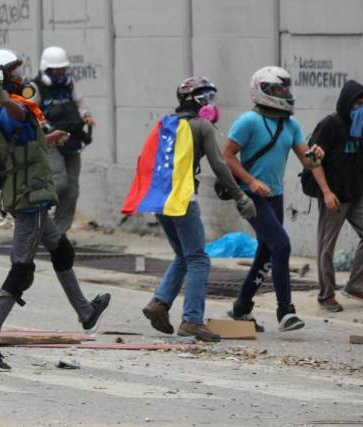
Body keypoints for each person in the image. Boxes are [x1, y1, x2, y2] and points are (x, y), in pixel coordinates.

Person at [0, 49, 111, 371]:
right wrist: (0, 93)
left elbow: (23, 149)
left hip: (35, 195)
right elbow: (15, 114)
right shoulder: (7, 110)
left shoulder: (16, 107)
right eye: (13, 72)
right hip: (28, 199)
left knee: (62, 250)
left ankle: (86, 312)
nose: (22, 77)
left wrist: (49, 139)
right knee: (21, 271)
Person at [122, 76, 257, 342]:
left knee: (183, 255)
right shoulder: (202, 126)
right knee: (198, 258)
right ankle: (193, 320)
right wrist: (240, 197)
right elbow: (219, 165)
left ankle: (159, 303)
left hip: (160, 201)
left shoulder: (165, 124)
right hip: (182, 200)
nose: (211, 104)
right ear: (197, 101)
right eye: (207, 99)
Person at [223, 66, 324, 331]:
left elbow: (307, 160)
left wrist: (317, 156)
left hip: (275, 197)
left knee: (266, 252)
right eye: (278, 89)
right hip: (250, 196)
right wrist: (251, 181)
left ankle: (241, 307)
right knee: (281, 244)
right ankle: (285, 311)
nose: (284, 93)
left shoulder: (290, 124)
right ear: (262, 90)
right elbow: (228, 156)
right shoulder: (248, 121)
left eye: (285, 88)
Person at [307, 80, 363, 311]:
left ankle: (355, 284)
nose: (360, 108)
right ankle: (326, 294)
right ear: (346, 102)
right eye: (357, 103)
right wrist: (327, 192)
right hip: (335, 196)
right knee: (327, 246)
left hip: (356, 193)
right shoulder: (330, 125)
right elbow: (312, 158)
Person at [33, 46, 94, 233]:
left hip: (72, 139)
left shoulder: (69, 85)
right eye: (56, 70)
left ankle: (58, 234)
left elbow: (80, 102)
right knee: (59, 182)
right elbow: (31, 112)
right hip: (50, 140)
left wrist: (87, 116)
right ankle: (33, 211)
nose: (60, 73)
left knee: (72, 190)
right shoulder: (35, 88)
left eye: (62, 69)